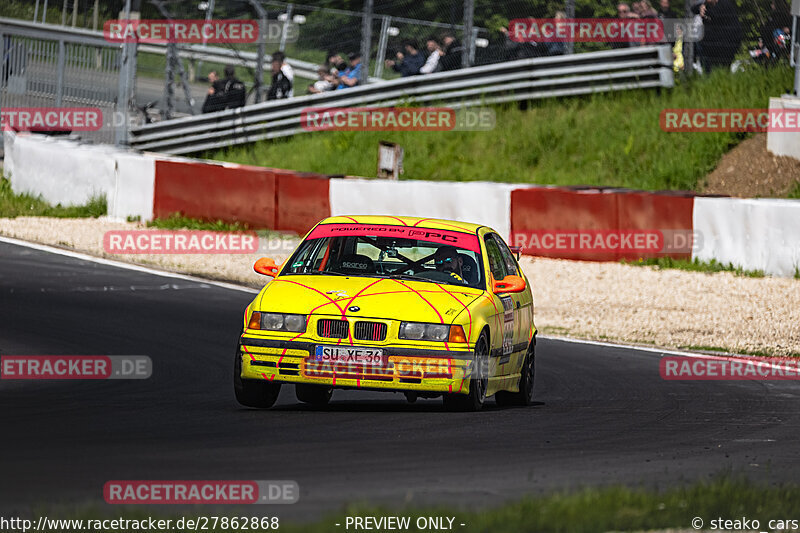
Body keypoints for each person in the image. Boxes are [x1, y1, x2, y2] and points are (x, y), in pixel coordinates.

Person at [698, 0, 742, 72]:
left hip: (727, 43)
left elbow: (714, 13)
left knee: (722, 67)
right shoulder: (708, 5)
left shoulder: (724, 4)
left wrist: (704, 10)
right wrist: (701, 7)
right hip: (712, 44)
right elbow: (693, 9)